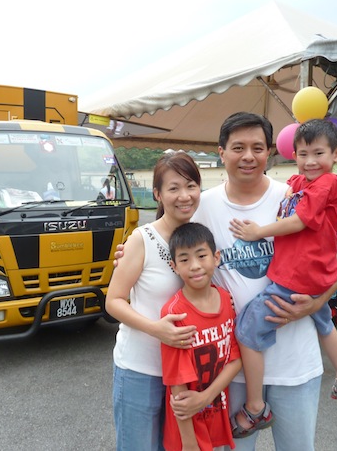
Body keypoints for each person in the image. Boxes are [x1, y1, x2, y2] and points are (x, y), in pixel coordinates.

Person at [172, 112, 337, 451]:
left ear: (269, 152)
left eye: (257, 147)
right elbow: (169, 244)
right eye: (238, 147)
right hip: (233, 366)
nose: (248, 156)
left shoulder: (295, 195)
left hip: (295, 364)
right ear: (221, 152)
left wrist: (318, 301)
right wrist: (133, 247)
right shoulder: (204, 206)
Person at [226, 119, 337, 436]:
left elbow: (301, 222)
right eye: (302, 154)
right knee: (325, 322)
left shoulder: (327, 183)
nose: (310, 161)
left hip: (296, 279)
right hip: (313, 276)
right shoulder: (301, 183)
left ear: (336, 154)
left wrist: (259, 231)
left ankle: (255, 408)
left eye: (318, 154)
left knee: (246, 329)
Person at [106, 152, 206, 451]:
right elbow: (113, 301)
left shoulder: (200, 237)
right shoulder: (142, 239)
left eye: (191, 185)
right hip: (141, 369)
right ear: (158, 194)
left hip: (187, 374)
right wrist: (156, 329)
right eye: (173, 188)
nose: (184, 196)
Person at [161, 222, 242, 451]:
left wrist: (206, 397)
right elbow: (178, 386)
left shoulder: (227, 300)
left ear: (216, 257)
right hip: (187, 430)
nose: (195, 266)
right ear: (174, 266)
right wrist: (188, 443)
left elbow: (235, 359)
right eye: (185, 259)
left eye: (201, 255)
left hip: (216, 415)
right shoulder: (175, 313)